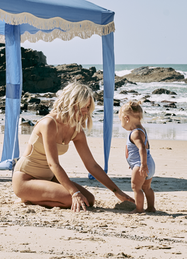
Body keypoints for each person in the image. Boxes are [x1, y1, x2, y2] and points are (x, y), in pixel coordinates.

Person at [12, 82, 134, 212]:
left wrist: (117, 191)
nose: (86, 111)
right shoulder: (48, 124)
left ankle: (35, 198)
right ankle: (28, 197)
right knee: (72, 199)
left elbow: (91, 165)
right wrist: (74, 192)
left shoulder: (77, 130)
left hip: (48, 178)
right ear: (72, 103)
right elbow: (53, 164)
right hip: (26, 179)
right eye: (84, 106)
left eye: (88, 107)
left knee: (89, 200)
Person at [119, 101, 156, 213]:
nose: (121, 123)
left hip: (141, 164)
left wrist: (142, 165)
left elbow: (142, 148)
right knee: (146, 188)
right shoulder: (141, 130)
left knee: (136, 188)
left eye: (120, 120)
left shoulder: (135, 133)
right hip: (147, 163)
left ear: (126, 118)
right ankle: (150, 207)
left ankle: (139, 209)